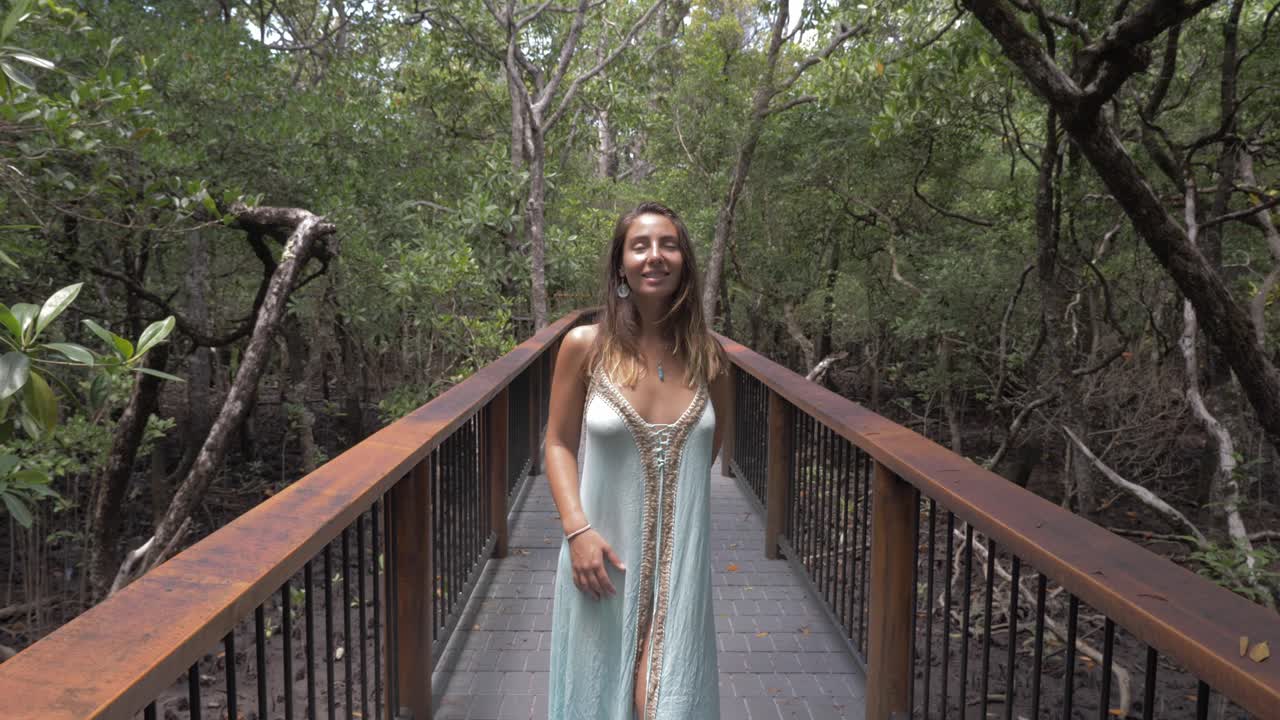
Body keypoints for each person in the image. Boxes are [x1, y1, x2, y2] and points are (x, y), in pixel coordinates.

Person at [546, 202, 731, 719]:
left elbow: (707, 447)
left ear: (684, 262)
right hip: (601, 564)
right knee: (599, 698)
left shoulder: (709, 357)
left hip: (681, 574)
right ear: (621, 265)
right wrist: (576, 531)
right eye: (640, 245)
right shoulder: (585, 346)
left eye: (668, 244)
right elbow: (557, 442)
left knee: (663, 705)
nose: (655, 255)